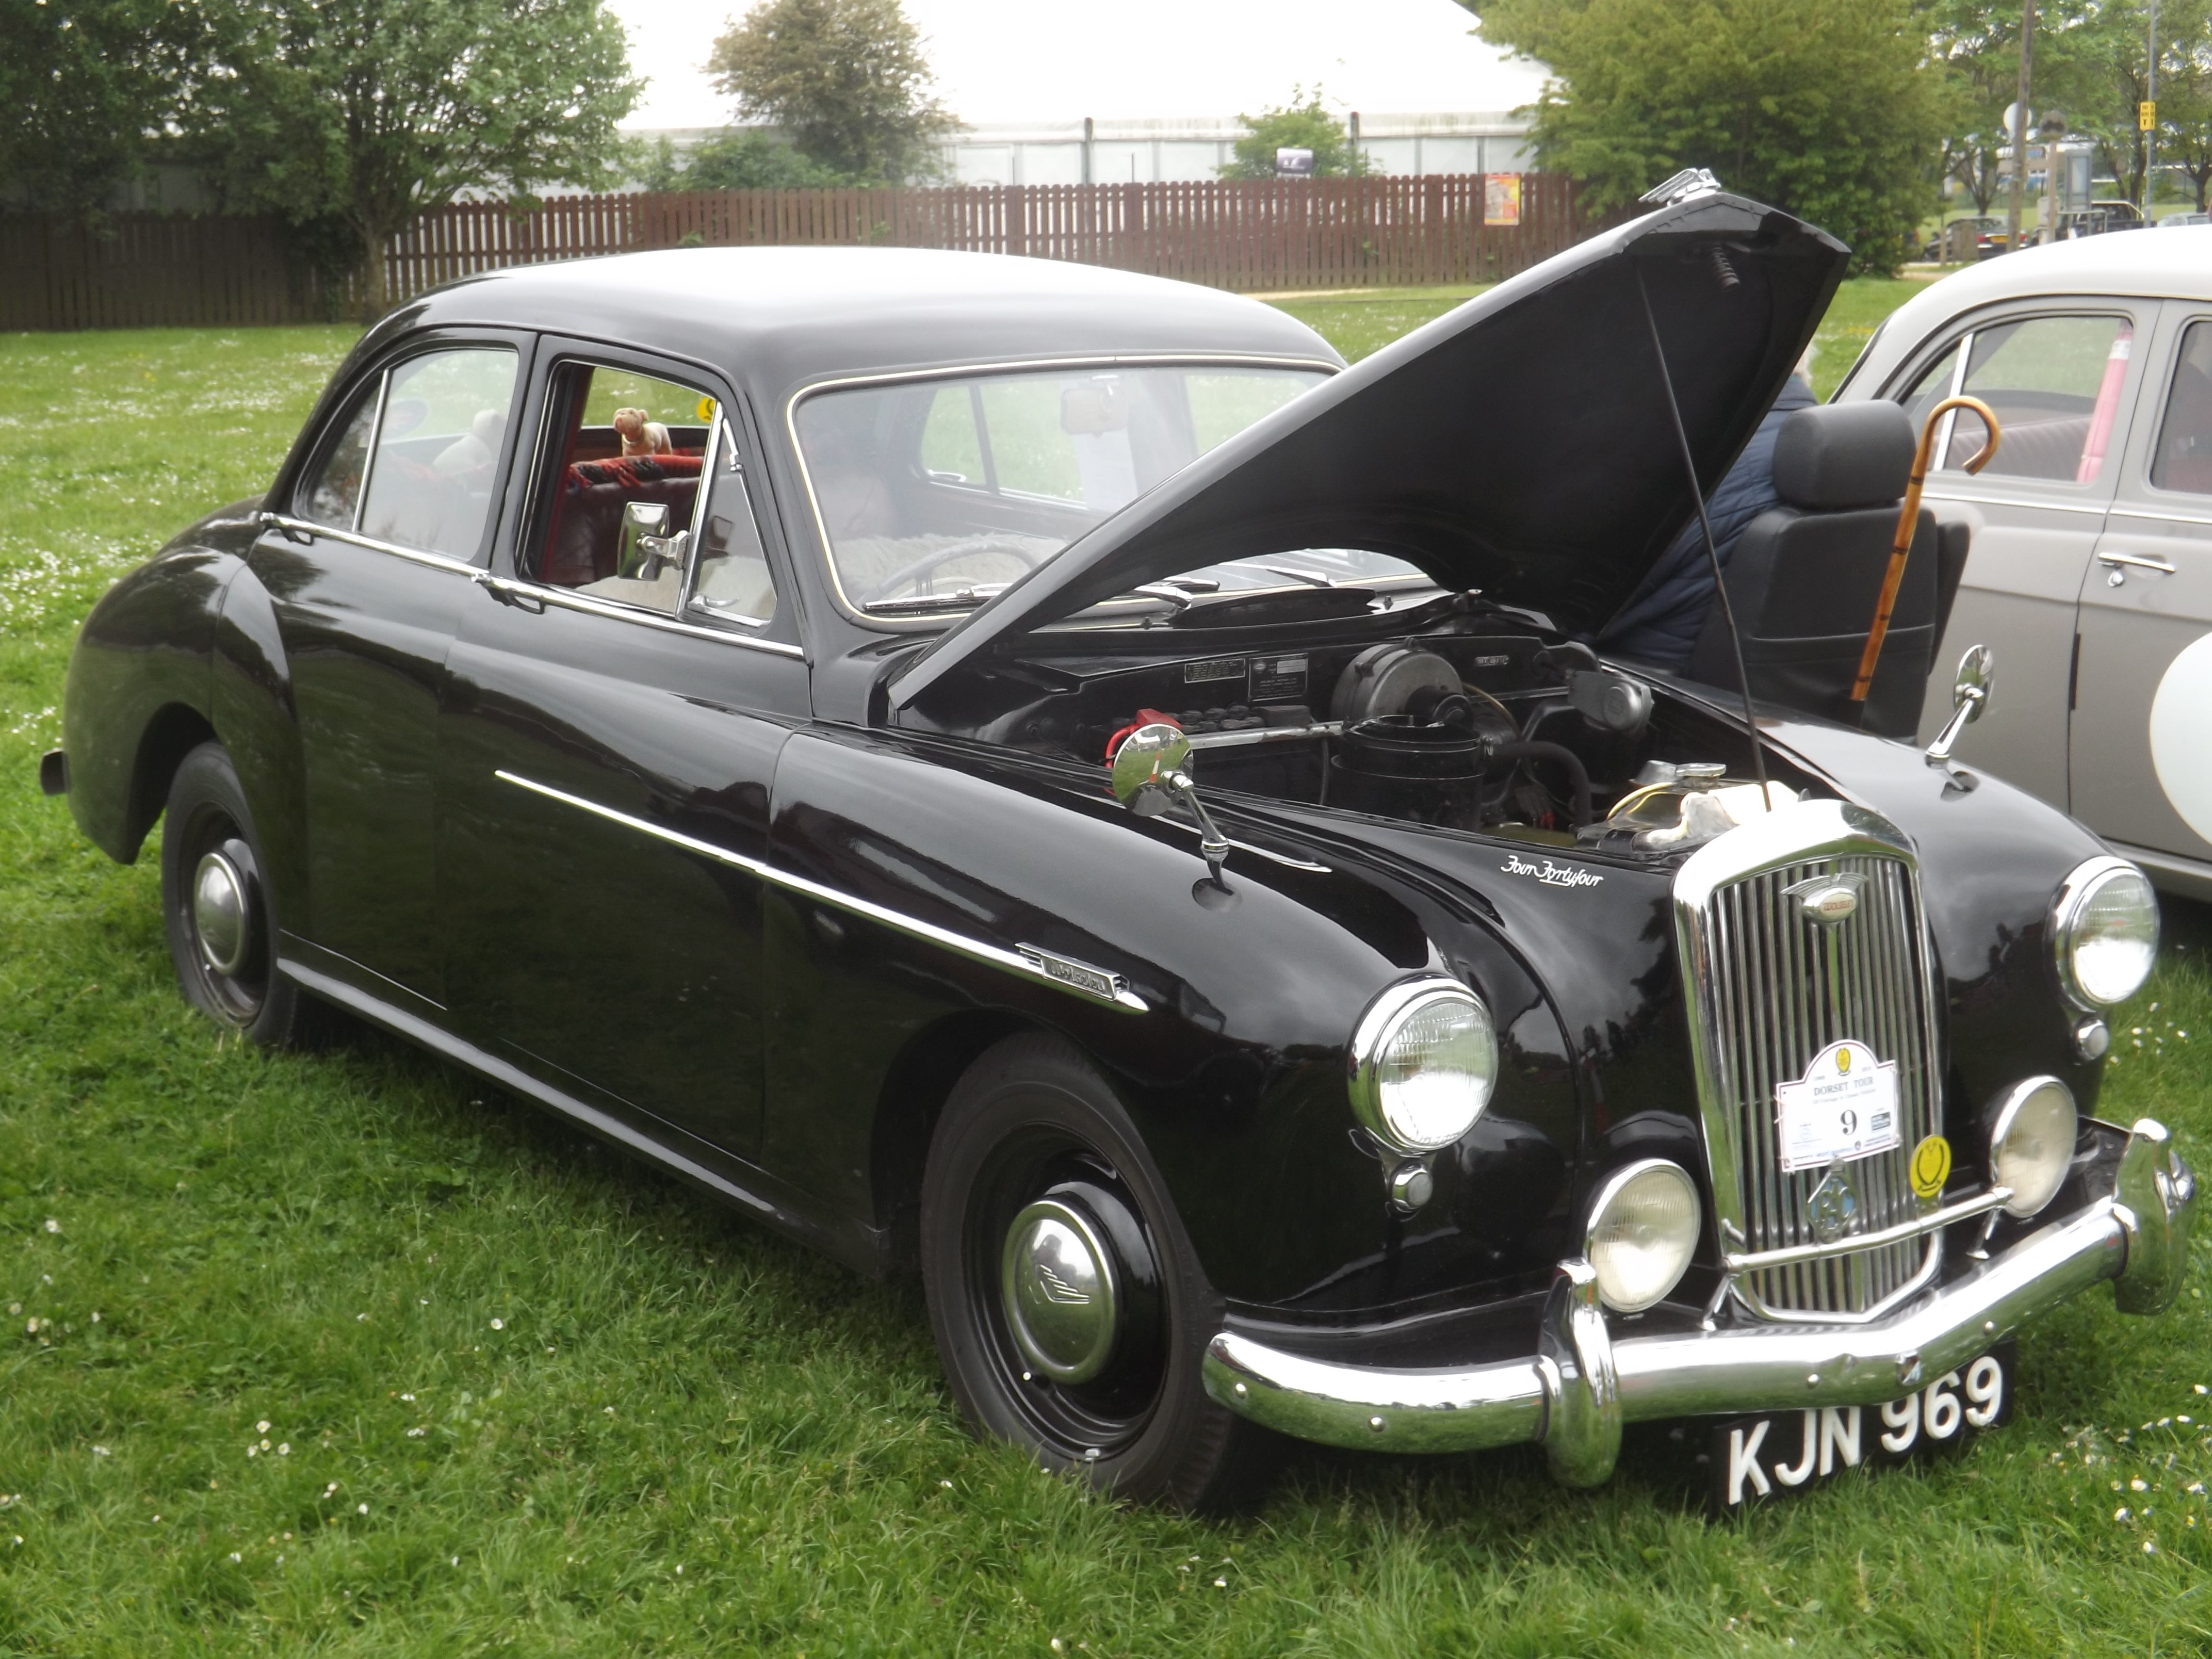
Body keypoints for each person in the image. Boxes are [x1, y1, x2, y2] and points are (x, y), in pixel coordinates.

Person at [1597, 352, 1817, 672]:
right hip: (1813, 715)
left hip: (1660, 706)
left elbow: (1565, 617)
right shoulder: (1849, 459)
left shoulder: (1688, 469)